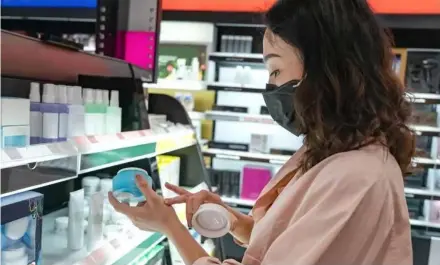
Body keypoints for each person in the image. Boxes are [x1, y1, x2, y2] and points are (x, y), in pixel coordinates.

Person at [108, 0, 416, 264]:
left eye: (276, 70)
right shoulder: (336, 152)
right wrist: (232, 221)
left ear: (327, 67)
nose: (271, 87)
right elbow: (300, 242)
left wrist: (169, 227)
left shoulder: (356, 176)